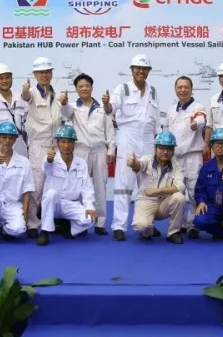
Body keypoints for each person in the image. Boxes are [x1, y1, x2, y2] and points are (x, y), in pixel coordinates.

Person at [105, 54, 160, 241]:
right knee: (124, 184)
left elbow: (157, 121)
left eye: (144, 68)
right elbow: (110, 109)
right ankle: (119, 226)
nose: (141, 71)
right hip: (128, 136)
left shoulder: (153, 91)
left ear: (148, 71)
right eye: (137, 68)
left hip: (148, 139)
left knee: (148, 183)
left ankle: (147, 224)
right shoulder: (123, 88)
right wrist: (106, 103)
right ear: (132, 70)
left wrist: (158, 141)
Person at [60, 73, 114, 236]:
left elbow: (109, 130)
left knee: (100, 186)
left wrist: (111, 149)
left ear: (92, 87)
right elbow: (66, 112)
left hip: (99, 150)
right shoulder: (72, 107)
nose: (84, 88)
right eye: (80, 86)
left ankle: (100, 222)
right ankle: (80, 221)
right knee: (78, 186)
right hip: (81, 150)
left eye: (87, 86)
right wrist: (63, 103)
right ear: (76, 89)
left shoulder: (102, 107)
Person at [20, 57, 65, 238]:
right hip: (38, 146)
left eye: (47, 72)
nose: (45, 75)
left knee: (54, 185)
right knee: (37, 185)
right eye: (41, 72)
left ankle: (50, 221)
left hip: (55, 146)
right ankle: (33, 223)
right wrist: (25, 90)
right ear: (35, 74)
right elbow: (26, 97)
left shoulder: (57, 94)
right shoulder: (32, 93)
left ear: (51, 73)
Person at [37, 125, 97, 245]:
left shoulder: (81, 163)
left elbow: (87, 187)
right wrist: (49, 160)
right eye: (63, 142)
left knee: (90, 219)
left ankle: (66, 227)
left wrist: (90, 207)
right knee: (51, 193)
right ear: (57, 143)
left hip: (71, 204)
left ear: (74, 144)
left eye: (70, 142)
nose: (66, 145)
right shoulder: (51, 159)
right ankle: (45, 231)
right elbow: (46, 167)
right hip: (54, 203)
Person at [164, 76, 206, 239]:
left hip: (193, 155)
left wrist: (196, 124)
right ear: (175, 89)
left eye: (186, 87)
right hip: (175, 158)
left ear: (191, 89)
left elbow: (201, 119)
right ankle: (178, 224)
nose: (183, 90)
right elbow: (166, 131)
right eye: (180, 87)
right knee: (177, 192)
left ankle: (193, 224)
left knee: (194, 191)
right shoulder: (170, 109)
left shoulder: (198, 107)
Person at [0, 122, 35, 244]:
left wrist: (25, 212)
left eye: (11, 138)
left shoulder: (23, 162)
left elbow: (27, 189)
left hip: (13, 205)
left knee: (19, 230)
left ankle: (3, 229)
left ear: (15, 139)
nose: (7, 141)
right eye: (4, 137)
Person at [127, 131, 187, 244]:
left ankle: (173, 232)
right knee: (141, 226)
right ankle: (149, 229)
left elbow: (180, 186)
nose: (165, 152)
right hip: (146, 201)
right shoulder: (147, 159)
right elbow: (139, 165)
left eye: (169, 149)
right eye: (162, 148)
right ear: (155, 148)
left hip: (164, 202)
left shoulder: (176, 165)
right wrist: (133, 163)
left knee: (179, 198)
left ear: (173, 150)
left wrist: (158, 191)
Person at [0, 63, 28, 157]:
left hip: (20, 149)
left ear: (11, 78)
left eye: (7, 77)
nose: (4, 81)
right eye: (1, 78)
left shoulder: (21, 98)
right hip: (0, 150)